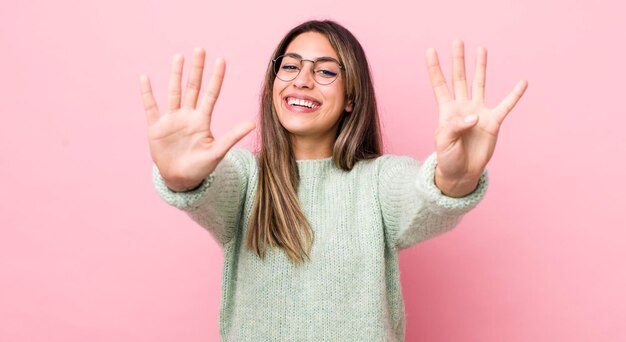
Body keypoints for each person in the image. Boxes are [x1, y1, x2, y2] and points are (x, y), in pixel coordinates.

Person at [139, 20, 527, 342]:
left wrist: (456, 176)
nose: (302, 80)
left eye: (325, 71)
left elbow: (424, 198)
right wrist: (179, 176)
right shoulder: (245, 177)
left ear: (351, 99)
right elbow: (208, 189)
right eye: (290, 66)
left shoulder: (378, 181)